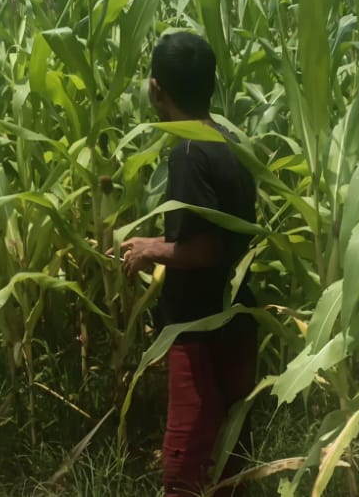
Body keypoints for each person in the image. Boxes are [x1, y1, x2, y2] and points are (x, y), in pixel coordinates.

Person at [117, 31, 259, 497]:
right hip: (236, 319)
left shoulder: (189, 152)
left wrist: (148, 252)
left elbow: (206, 250)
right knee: (230, 459)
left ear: (156, 89)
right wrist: (156, 240)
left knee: (187, 463)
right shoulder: (228, 140)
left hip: (199, 330)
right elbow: (221, 232)